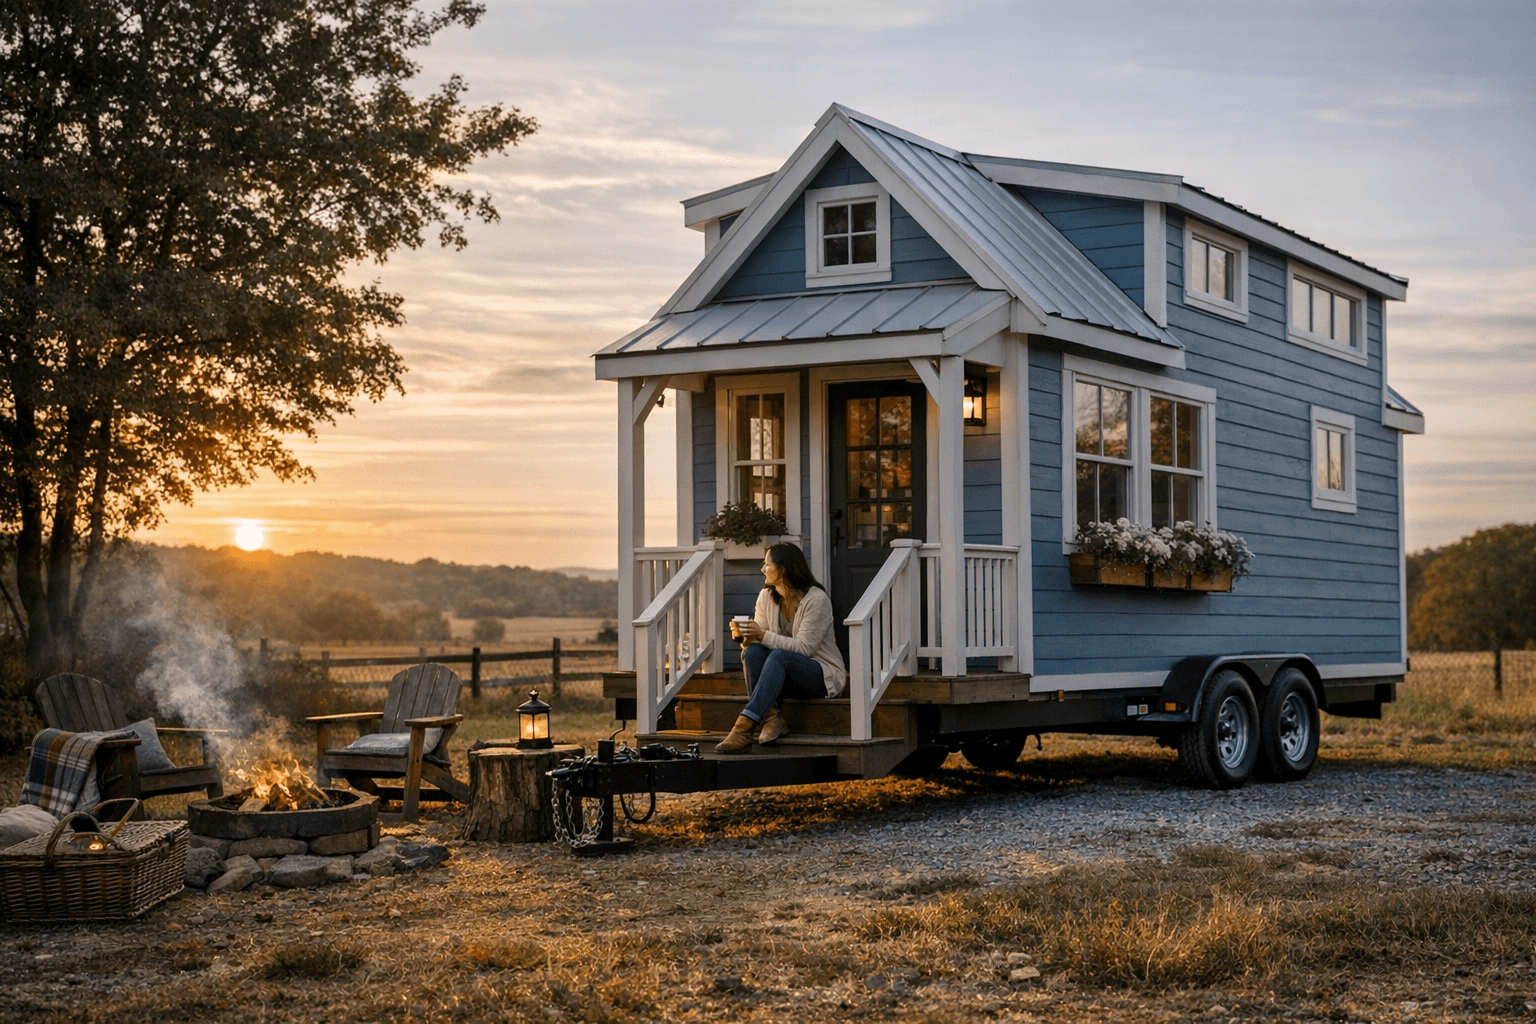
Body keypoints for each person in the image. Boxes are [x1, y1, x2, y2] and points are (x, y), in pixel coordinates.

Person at [716, 541, 846, 754]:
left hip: (821, 675)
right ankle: (773, 718)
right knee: (753, 652)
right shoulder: (766, 596)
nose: (762, 569)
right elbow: (760, 643)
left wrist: (761, 634)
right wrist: (746, 638)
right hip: (781, 674)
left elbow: (805, 649)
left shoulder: (817, 599)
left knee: (779, 656)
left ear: (784, 568)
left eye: (767, 564)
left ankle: (743, 727)